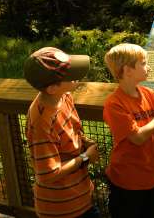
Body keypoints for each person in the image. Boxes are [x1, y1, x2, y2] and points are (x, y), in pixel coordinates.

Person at [24, 47, 100, 218]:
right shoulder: (41, 122)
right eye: (70, 74)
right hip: (62, 209)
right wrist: (86, 157)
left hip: (81, 197)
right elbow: (47, 175)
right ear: (52, 88)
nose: (77, 76)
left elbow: (71, 133)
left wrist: (84, 141)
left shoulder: (64, 96)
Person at [103, 43, 154, 218]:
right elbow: (137, 138)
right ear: (128, 70)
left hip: (153, 180)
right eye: (143, 63)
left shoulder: (150, 94)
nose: (148, 67)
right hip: (126, 183)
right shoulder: (114, 104)